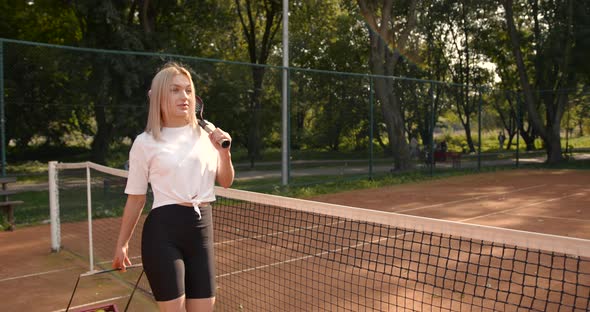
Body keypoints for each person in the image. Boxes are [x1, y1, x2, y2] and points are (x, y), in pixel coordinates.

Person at [112, 62, 234, 312]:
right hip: (163, 234)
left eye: (188, 90)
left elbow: (226, 181)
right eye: (175, 90)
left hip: (202, 231)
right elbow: (136, 198)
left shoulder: (206, 138)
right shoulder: (144, 143)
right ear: (159, 97)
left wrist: (225, 154)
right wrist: (122, 243)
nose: (185, 96)